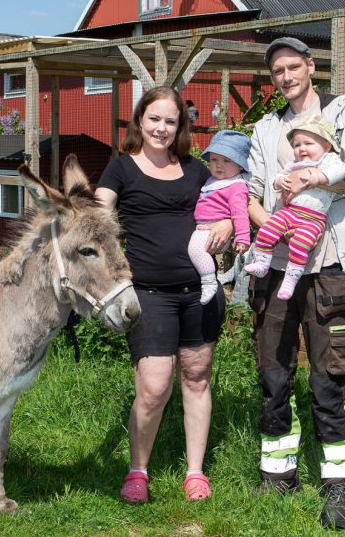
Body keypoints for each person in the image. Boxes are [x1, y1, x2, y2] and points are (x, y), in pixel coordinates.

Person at [246, 37, 345, 530]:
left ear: (311, 66)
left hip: (328, 266)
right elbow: (252, 194)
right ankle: (277, 473)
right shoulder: (265, 129)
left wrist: (318, 182)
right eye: (277, 70)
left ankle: (340, 484)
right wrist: (270, 226)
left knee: (328, 377)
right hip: (278, 265)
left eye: (293, 66)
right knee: (273, 371)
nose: (285, 77)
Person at [96, 86, 232, 504]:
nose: (161, 128)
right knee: (154, 386)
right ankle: (138, 470)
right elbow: (97, 216)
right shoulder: (121, 168)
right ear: (140, 120)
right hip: (147, 293)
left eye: (170, 121)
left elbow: (228, 204)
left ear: (180, 127)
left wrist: (226, 227)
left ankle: (195, 472)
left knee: (196, 377)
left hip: (199, 291)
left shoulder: (196, 171)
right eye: (154, 118)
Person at [243, 115, 345, 301]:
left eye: (308, 143)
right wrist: (279, 181)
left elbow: (341, 172)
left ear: (326, 146)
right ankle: (261, 262)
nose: (302, 149)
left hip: (313, 219)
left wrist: (318, 177)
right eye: (297, 145)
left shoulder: (329, 161)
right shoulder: (294, 164)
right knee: (267, 230)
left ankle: (291, 279)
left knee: (301, 243)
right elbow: (276, 179)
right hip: (289, 212)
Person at [190, 130, 252, 305]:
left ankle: (209, 282)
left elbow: (240, 214)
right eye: (214, 160)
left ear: (240, 165)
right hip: (204, 227)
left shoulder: (236, 186)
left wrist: (242, 238)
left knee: (195, 250)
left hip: (216, 230)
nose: (219, 165)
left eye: (227, 160)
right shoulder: (213, 180)